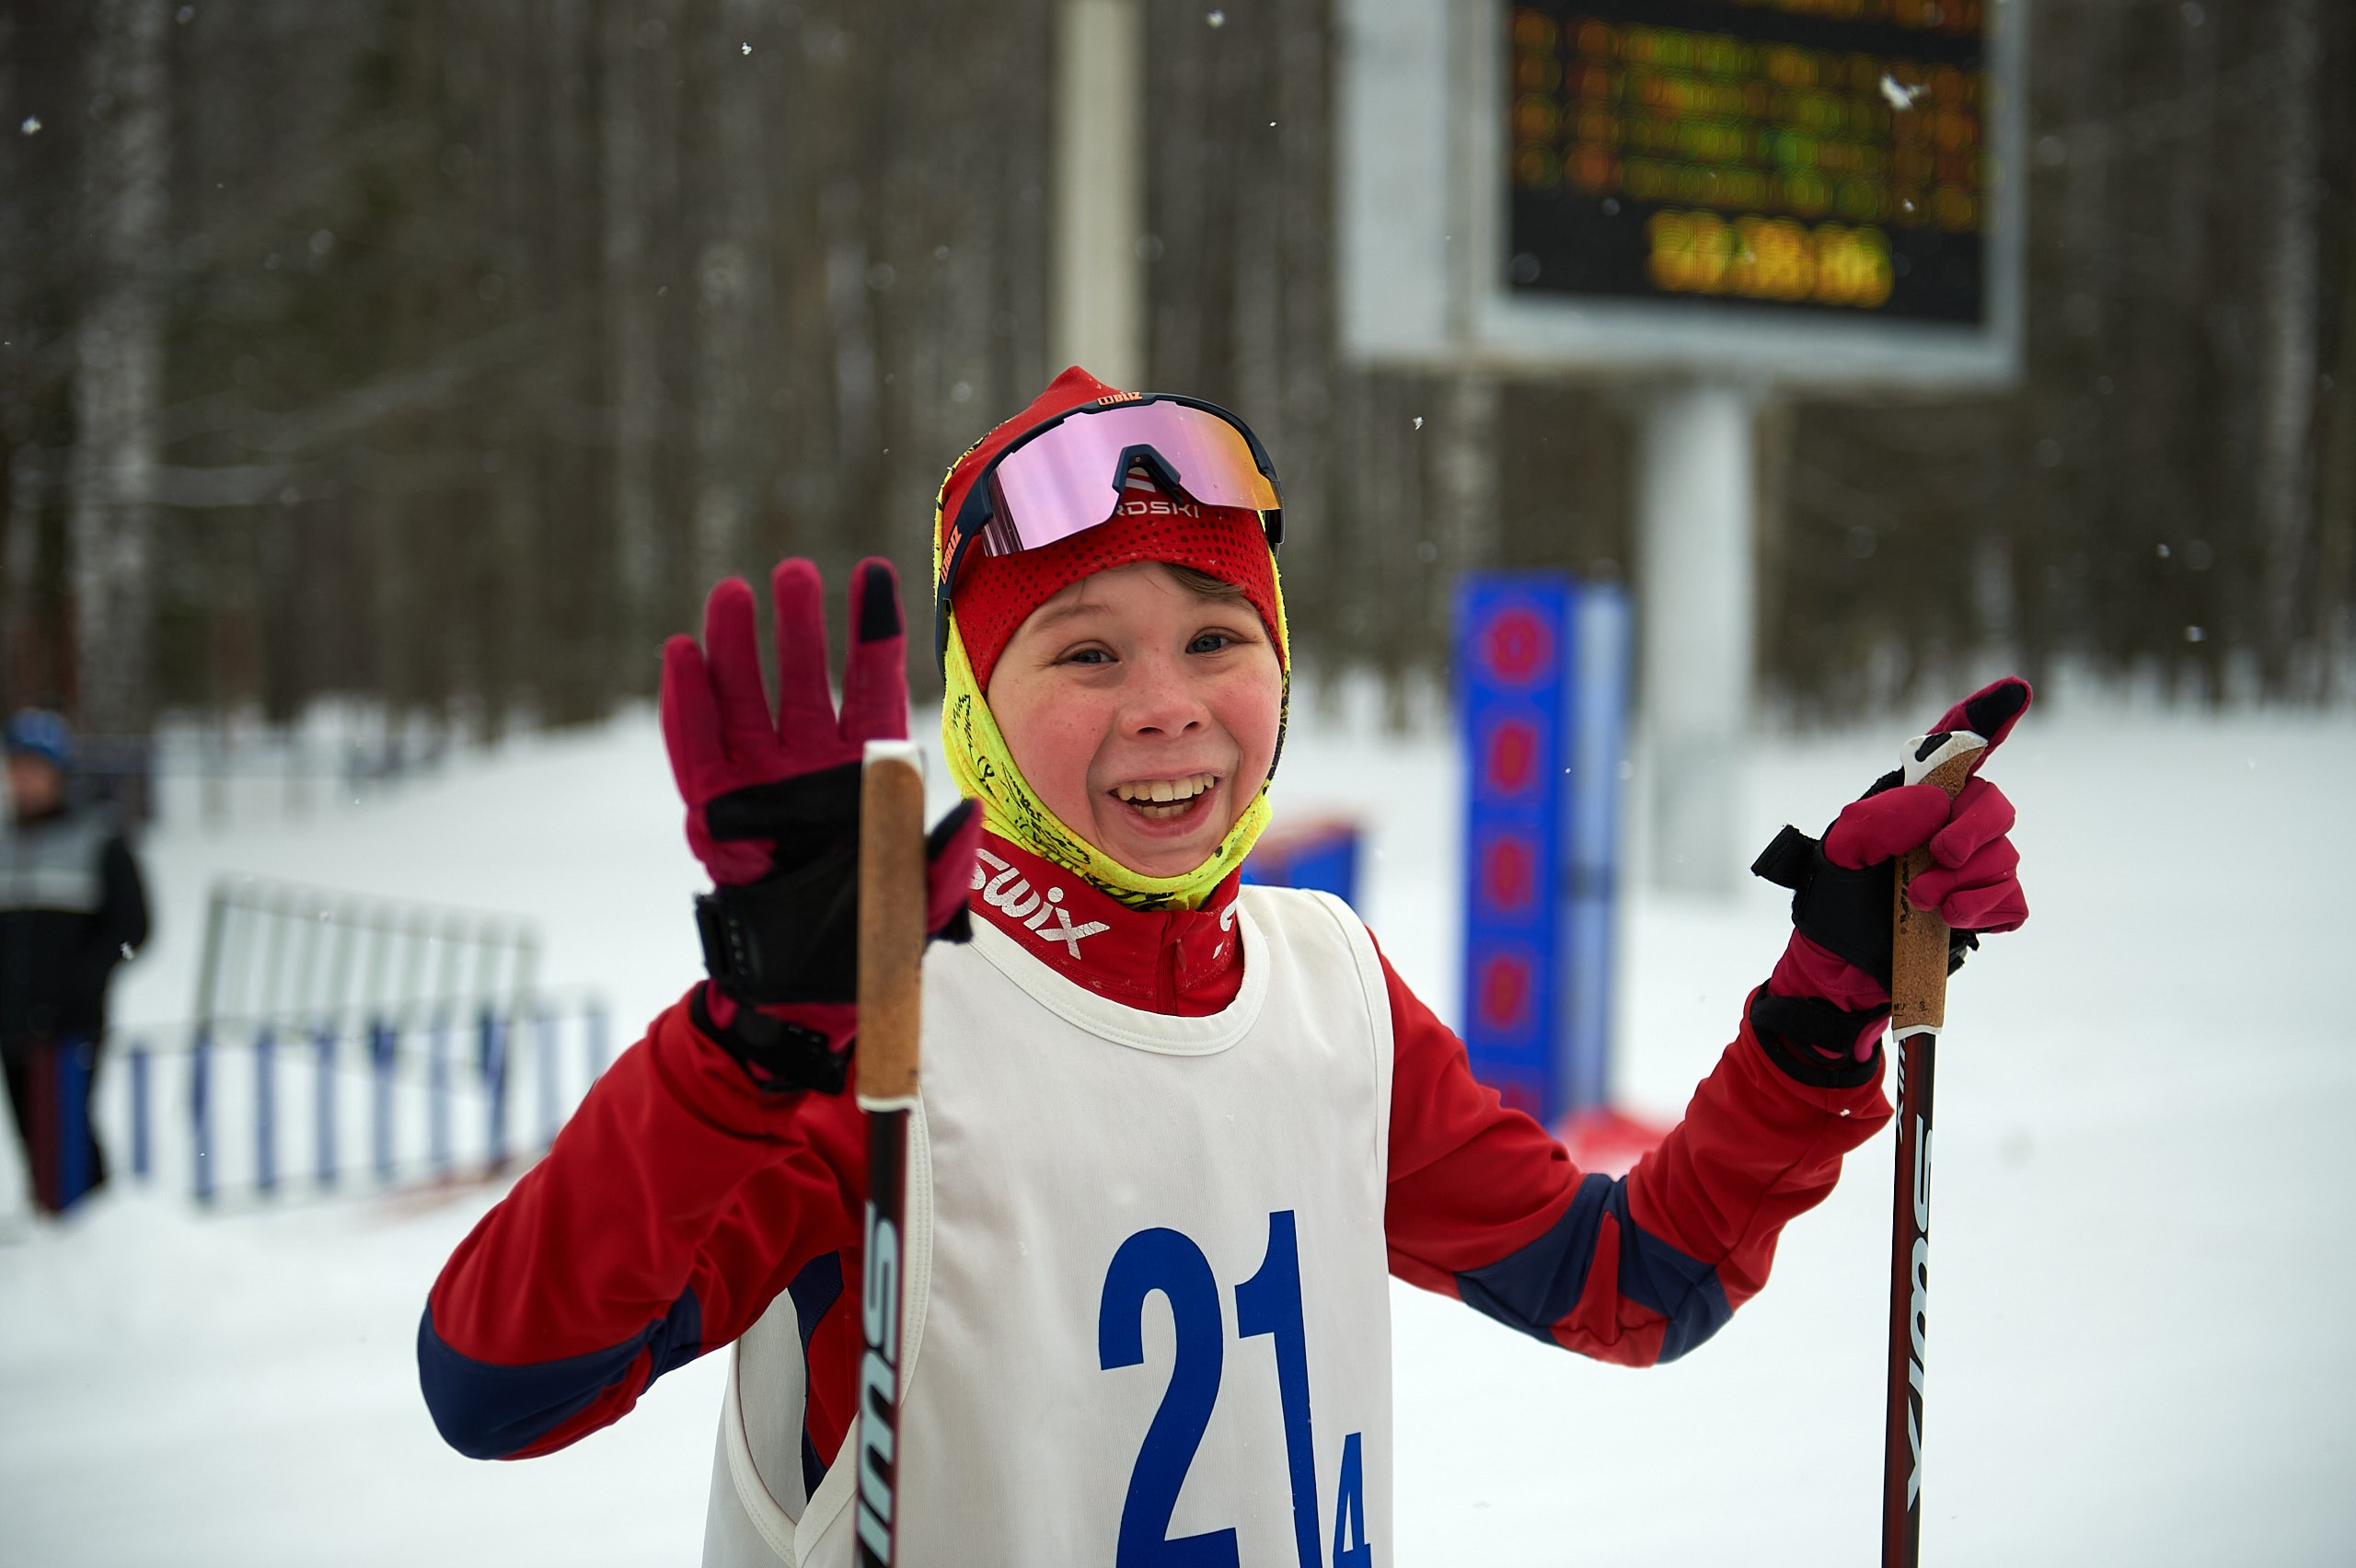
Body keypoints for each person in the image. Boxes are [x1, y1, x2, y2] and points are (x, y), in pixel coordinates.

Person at [418, 367, 2030, 1563]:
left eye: (1214, 634)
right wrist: (747, 1045)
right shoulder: (882, 1022)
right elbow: (499, 1377)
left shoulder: (1324, 985)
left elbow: (1637, 1282)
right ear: (974, 702)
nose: (1169, 702)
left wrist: (1823, 1002)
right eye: (1086, 651)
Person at [0, 709, 151, 1216]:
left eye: (33, 768)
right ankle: (50, 1223)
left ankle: (93, 1230)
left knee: (68, 1131)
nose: (23, 780)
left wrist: (78, 985)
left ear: (59, 772)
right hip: (12, 1023)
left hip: (72, 1024)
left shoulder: (97, 838)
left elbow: (132, 929)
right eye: (14, 767)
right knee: (30, 1134)